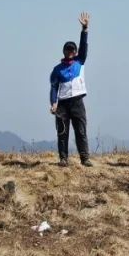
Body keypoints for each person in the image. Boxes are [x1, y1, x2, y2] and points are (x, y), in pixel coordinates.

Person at [50, 12, 92, 167]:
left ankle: (85, 158)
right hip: (62, 104)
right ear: (63, 51)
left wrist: (84, 29)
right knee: (62, 132)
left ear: (75, 52)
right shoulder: (57, 69)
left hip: (77, 102)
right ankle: (63, 159)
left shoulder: (80, 61)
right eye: (67, 50)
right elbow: (54, 87)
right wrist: (53, 103)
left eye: (72, 50)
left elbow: (84, 47)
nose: (69, 52)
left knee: (81, 131)